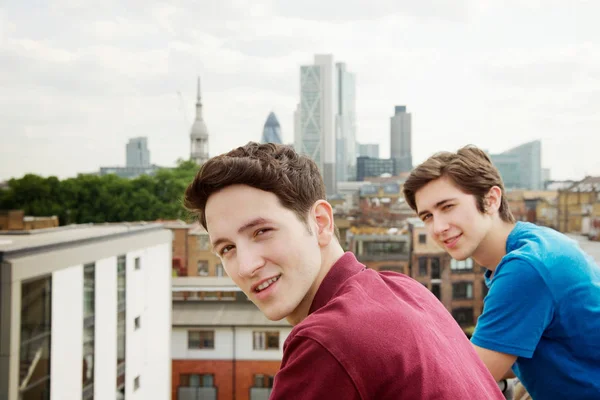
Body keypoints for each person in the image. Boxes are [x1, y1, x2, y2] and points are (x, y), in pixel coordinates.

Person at [184, 142, 504, 399]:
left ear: (320, 222)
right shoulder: (406, 290)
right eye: (227, 248)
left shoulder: (326, 341)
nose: (246, 265)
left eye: (262, 232)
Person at [403, 145, 600, 399]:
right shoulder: (533, 241)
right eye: (427, 216)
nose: (438, 227)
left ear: (491, 199)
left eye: (448, 206)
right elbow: (507, 354)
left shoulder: (526, 269)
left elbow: (463, 384)